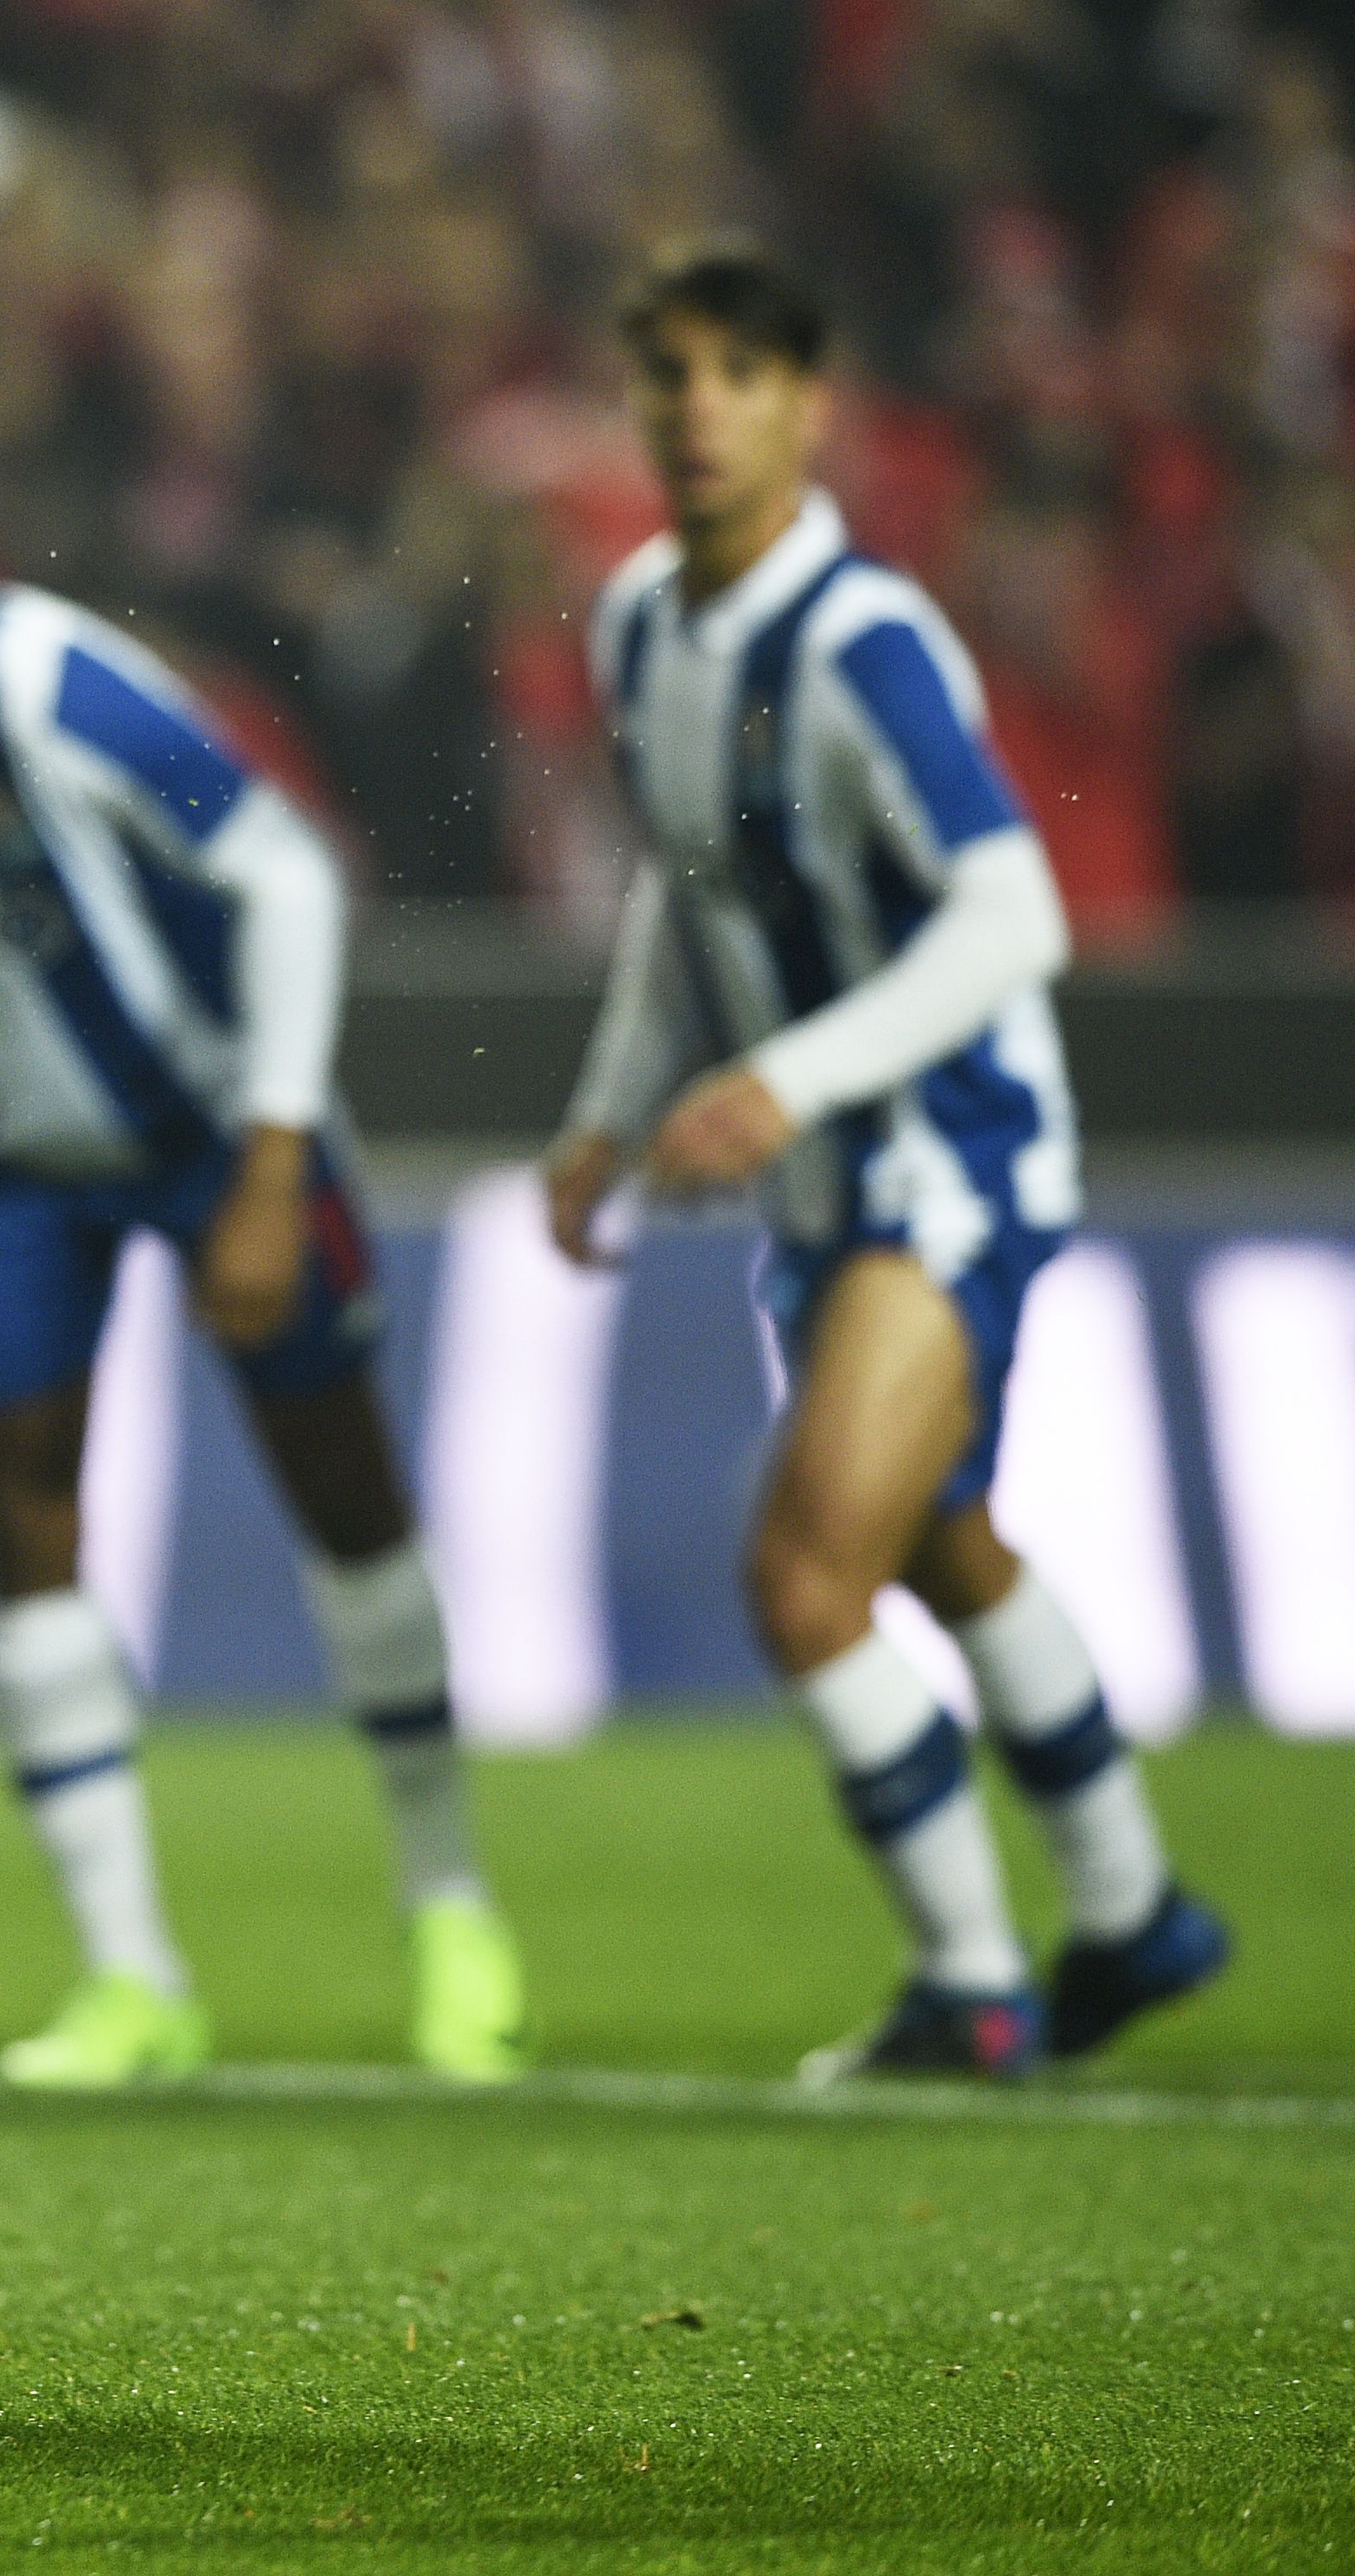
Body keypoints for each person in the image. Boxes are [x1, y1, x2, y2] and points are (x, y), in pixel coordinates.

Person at [0, 452, 531, 2089]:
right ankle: (132, 1979)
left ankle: (451, 1903)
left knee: (344, 1490)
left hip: (213, 1122)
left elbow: (284, 869)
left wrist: (268, 1159)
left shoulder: (44, 684)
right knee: (22, 1519)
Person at [547, 239, 1226, 2081]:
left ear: (806, 407)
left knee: (803, 1578)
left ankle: (969, 1983)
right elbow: (674, 902)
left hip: (950, 1163)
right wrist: (613, 1106)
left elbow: (1014, 915)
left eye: (734, 377)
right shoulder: (634, 622)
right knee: (944, 1542)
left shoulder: (860, 641)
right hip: (826, 1187)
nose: (695, 410)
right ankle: (1134, 1909)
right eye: (666, 377)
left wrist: (786, 1074)